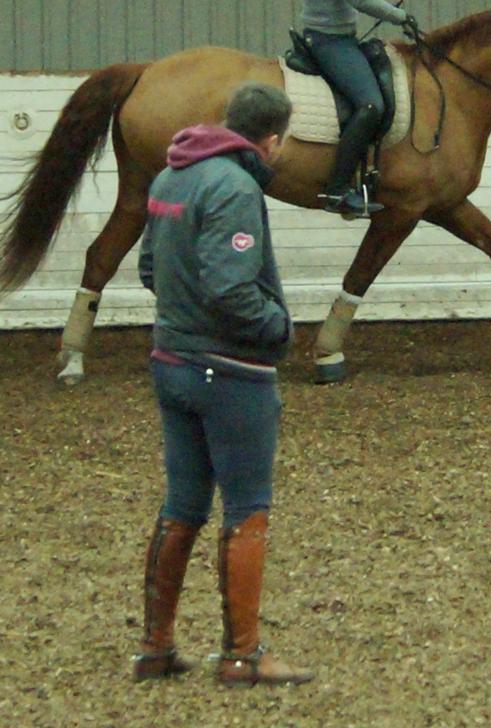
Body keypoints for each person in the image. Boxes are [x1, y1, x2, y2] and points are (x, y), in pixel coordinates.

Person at [132, 81, 312, 688]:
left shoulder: (169, 178)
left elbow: (150, 268)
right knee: (247, 507)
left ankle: (155, 647)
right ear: (272, 139)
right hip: (229, 371)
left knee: (182, 506)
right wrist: (278, 329)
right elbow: (231, 288)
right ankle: (242, 654)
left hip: (171, 361)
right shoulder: (236, 186)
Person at [281, 0, 420, 218]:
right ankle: (337, 190)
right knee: (370, 105)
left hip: (337, 38)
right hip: (329, 42)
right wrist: (398, 15)